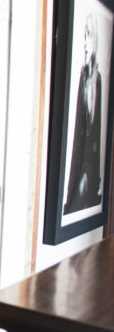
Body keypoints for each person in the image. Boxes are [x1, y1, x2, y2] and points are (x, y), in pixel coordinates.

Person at [64, 13, 104, 214]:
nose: (85, 43)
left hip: (91, 164)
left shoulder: (98, 79)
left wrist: (96, 178)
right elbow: (79, 127)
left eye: (88, 36)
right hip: (80, 164)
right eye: (84, 37)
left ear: (94, 40)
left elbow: (97, 130)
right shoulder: (83, 74)